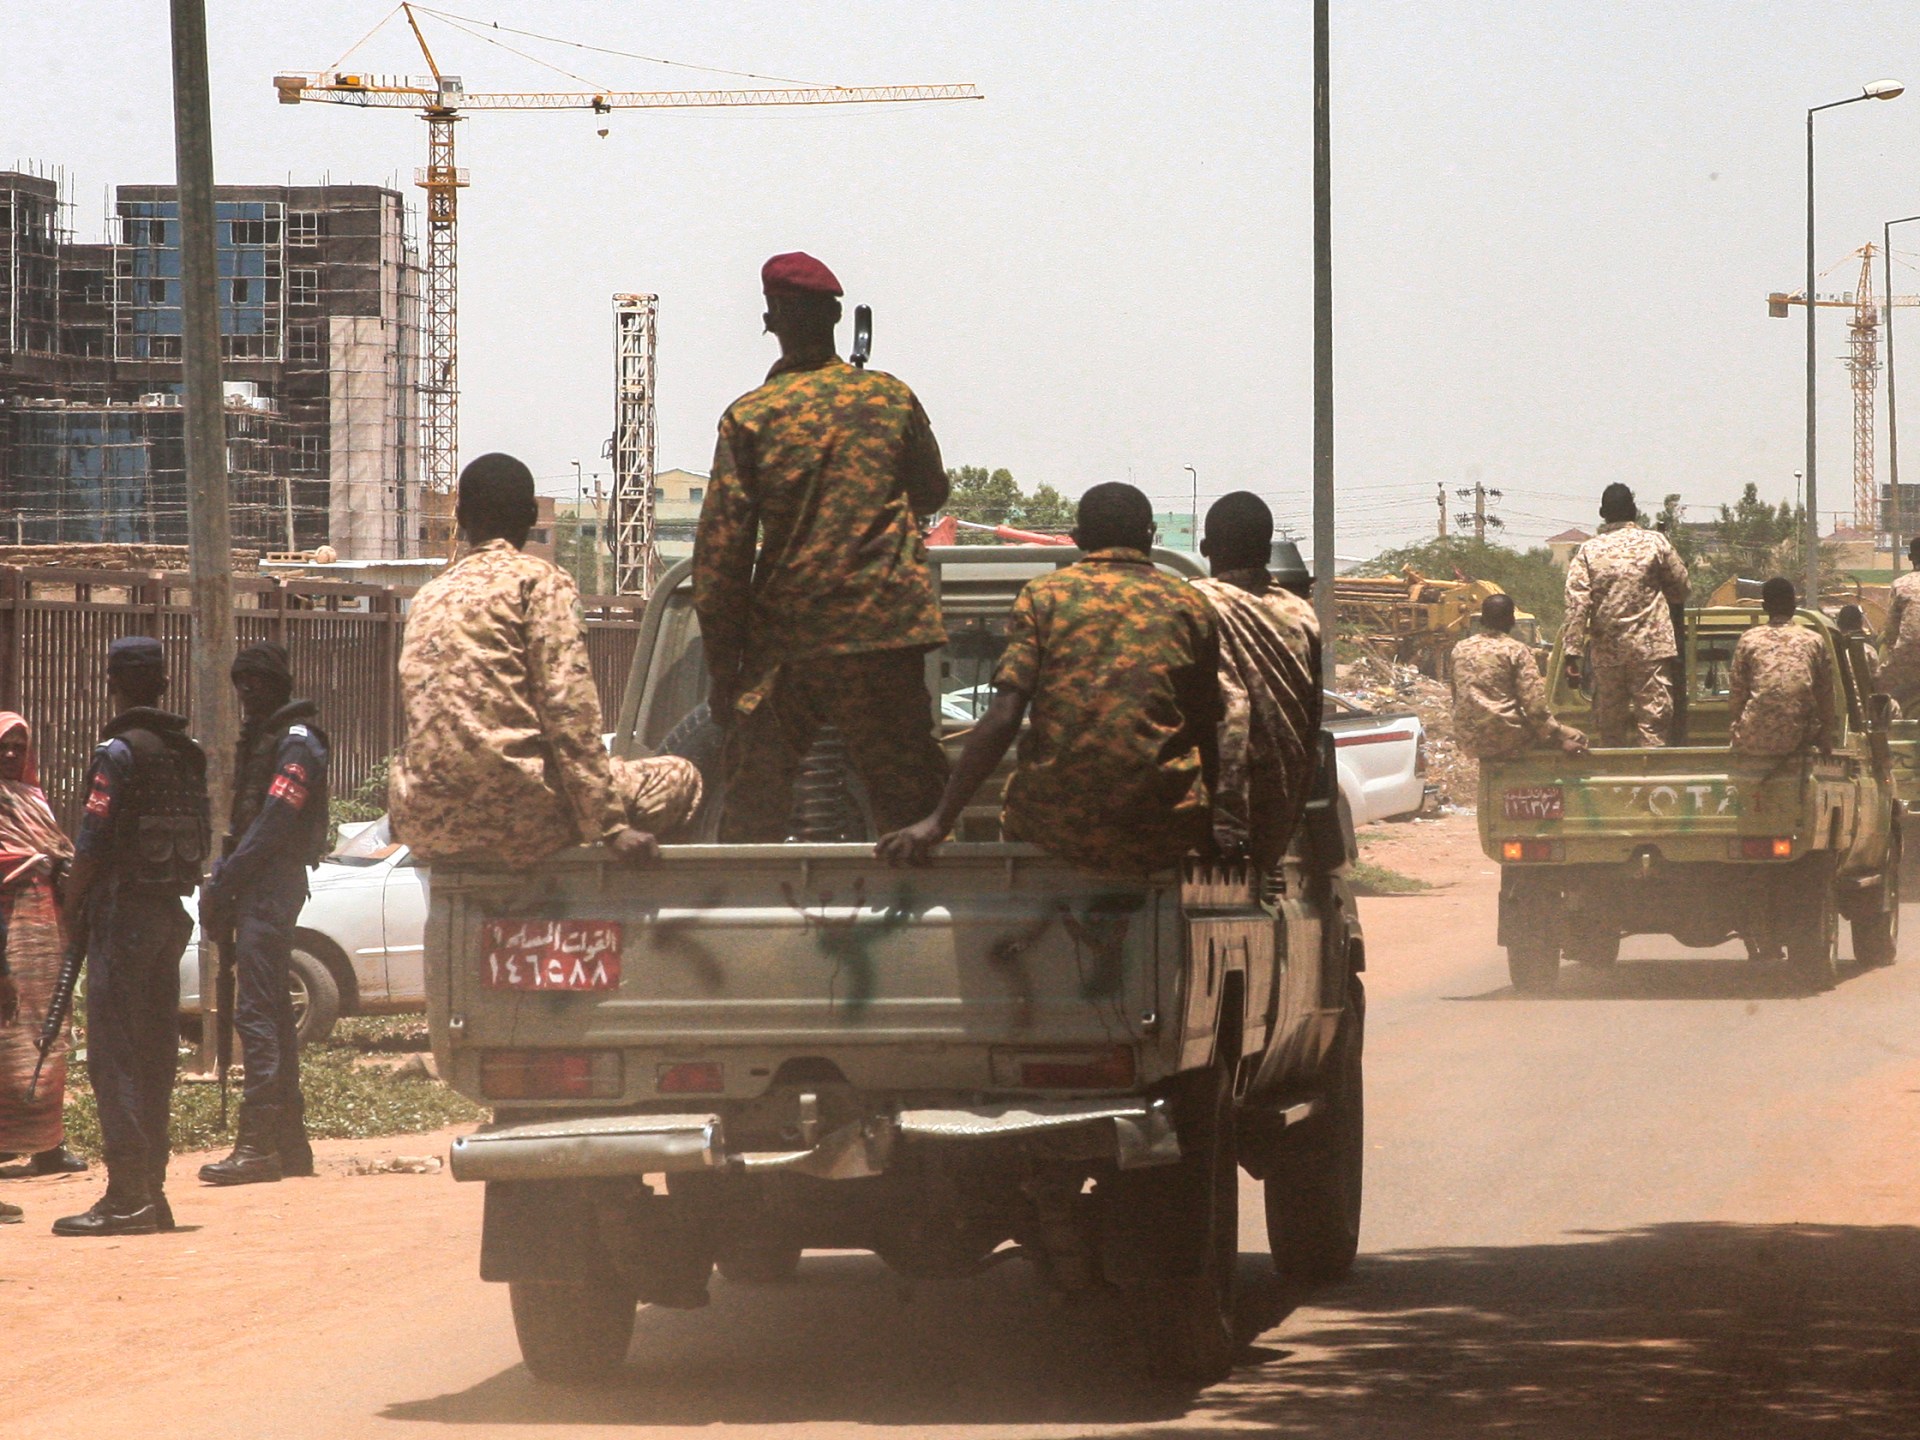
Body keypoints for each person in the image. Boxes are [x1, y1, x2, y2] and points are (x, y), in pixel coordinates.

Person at [695, 251, 951, 842]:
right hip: (883, 633)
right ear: (836, 317)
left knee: (752, 811)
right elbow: (931, 489)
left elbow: (721, 560)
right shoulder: (891, 399)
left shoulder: (751, 417)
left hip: (789, 643)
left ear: (775, 318)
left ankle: (742, 926)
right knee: (913, 810)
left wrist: (722, 672)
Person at [876, 482, 1222, 874]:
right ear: (1149, 536)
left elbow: (1004, 716)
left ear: (1079, 539)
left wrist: (940, 820)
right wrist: (1208, 830)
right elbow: (1206, 724)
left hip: (1056, 827)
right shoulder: (1190, 604)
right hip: (1161, 827)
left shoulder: (1045, 597)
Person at [390, 453, 698, 867]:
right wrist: (611, 827)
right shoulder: (538, 582)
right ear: (532, 514)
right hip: (519, 815)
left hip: (427, 823)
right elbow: (568, 712)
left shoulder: (429, 595)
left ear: (460, 515)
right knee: (682, 777)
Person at [53, 637, 209, 1237]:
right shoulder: (185, 753)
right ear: (164, 686)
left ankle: (126, 1197)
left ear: (111, 683)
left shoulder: (117, 753)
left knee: (115, 1058)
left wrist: (72, 911)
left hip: (122, 917)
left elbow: (91, 842)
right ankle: (154, 1193)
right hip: (169, 915)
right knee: (155, 1055)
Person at [197, 644, 326, 1186]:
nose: (247, 693)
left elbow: (274, 821)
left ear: (278, 684)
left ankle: (257, 1147)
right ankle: (290, 1147)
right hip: (255, 885)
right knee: (268, 1011)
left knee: (257, 1013)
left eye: (256, 682)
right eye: (240, 683)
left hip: (270, 886)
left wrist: (227, 881)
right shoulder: (263, 739)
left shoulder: (297, 741)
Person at [1187, 493, 1322, 871]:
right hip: (1279, 812)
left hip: (1219, 817)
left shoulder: (1198, 603)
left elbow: (1231, 716)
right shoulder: (1302, 615)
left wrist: (1224, 822)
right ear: (1266, 551)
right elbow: (1313, 720)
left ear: (1206, 549)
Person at [0, 715, 86, 1181]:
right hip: (6, 932)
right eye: (4, 747)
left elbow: (59, 851)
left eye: (19, 746)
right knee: (5, 1039)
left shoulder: (35, 799)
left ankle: (49, 1145)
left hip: (47, 935)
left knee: (48, 1034)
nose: (11, 754)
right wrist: (32, 859)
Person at [1562, 483, 1690, 747]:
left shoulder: (1589, 551)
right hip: (1651, 653)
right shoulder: (1656, 543)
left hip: (1608, 656)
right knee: (1653, 728)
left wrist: (1572, 653)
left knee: (1610, 731)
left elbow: (1577, 605)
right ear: (1634, 510)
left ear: (1602, 513)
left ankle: (1614, 784)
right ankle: (1651, 784)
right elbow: (1681, 589)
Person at [1451, 596, 1589, 760]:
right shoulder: (1516, 650)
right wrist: (1557, 733)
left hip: (1468, 738)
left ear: (1482, 619)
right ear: (1511, 620)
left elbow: (1457, 694)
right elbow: (1534, 705)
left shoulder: (1459, 649)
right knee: (1576, 737)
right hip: (1506, 736)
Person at [1728, 578, 1835, 757]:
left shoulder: (1748, 640)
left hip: (1754, 741)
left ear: (1764, 607)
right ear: (1793, 605)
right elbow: (1826, 696)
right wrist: (1825, 738)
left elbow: (1736, 696)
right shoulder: (1813, 640)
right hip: (1800, 741)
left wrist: (1737, 730)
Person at [1876, 538, 1920, 709]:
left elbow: (1891, 633)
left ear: (1910, 557)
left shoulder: (1900, 585)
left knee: (1877, 687)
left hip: (1905, 660)